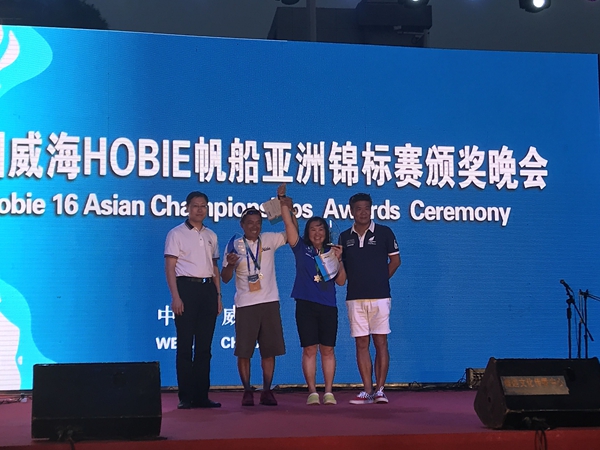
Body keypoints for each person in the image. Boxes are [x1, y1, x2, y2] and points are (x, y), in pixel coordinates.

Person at [277, 184, 346, 405]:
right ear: (307, 232)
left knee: (328, 349)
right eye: (313, 229)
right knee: (309, 349)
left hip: (328, 306)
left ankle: (329, 392)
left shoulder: (332, 251)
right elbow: (288, 223)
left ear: (326, 233)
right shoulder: (301, 248)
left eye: (321, 229)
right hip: (305, 305)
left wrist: (339, 259)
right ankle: (313, 392)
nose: (317, 233)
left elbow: (341, 281)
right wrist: (282, 200)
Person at [221, 206, 287, 406]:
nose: (254, 227)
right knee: (244, 351)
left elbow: (291, 233)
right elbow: (225, 278)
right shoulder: (234, 244)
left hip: (269, 302)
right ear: (242, 225)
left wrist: (283, 205)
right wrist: (230, 264)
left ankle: (267, 390)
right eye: (250, 223)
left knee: (269, 350)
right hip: (245, 305)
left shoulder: (269, 239)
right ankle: (247, 390)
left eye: (258, 223)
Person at [339, 192, 400, 405]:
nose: (363, 212)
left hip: (380, 297)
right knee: (361, 343)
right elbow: (342, 267)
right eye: (358, 209)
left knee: (380, 342)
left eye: (366, 208)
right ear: (351, 211)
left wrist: (379, 280)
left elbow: (395, 261)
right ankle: (367, 390)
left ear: (371, 209)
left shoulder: (384, 232)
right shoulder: (344, 237)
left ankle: (380, 390)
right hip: (355, 298)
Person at [164, 191, 223, 409]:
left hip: (208, 291)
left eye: (203, 206)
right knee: (185, 346)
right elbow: (170, 268)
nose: (200, 209)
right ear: (187, 208)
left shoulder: (211, 235)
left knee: (204, 348)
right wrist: (176, 297)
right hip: (186, 289)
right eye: (196, 205)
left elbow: (214, 267)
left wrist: (218, 296)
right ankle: (185, 397)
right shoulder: (176, 234)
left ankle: (201, 396)